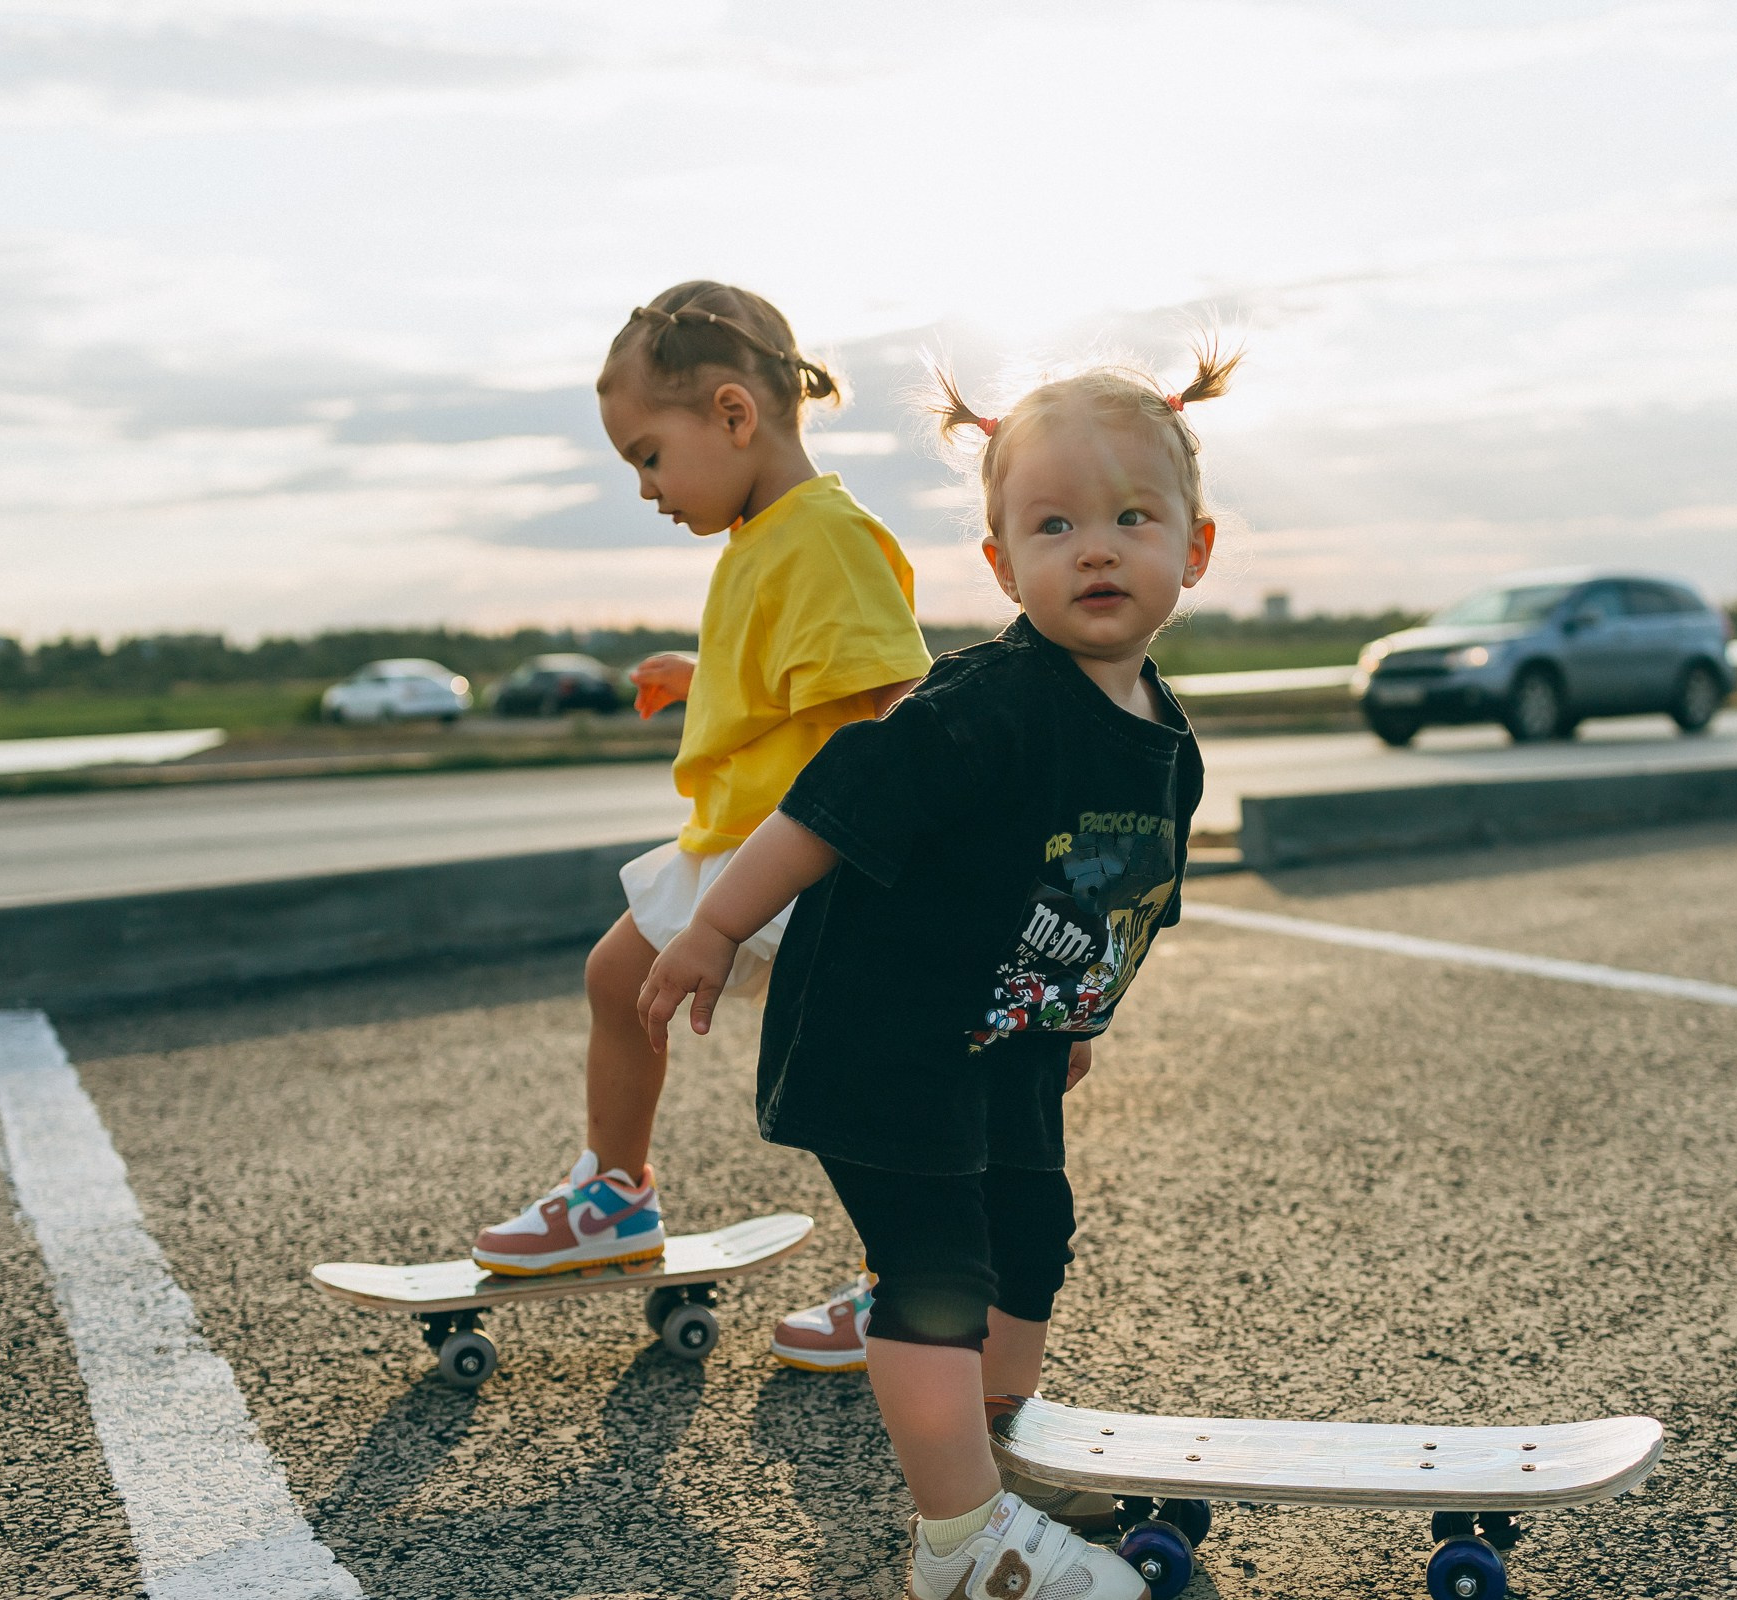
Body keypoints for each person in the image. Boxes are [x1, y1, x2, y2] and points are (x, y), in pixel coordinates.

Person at [638, 344, 1234, 1600]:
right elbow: (827, 805)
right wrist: (716, 926)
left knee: (1031, 1236)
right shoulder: (986, 705)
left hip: (1004, 1040)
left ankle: (996, 1452)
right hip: (884, 1034)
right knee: (938, 1269)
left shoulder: (1166, 748)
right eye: (1053, 525)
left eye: (1131, 519)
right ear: (1002, 564)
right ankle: (961, 1539)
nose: (1094, 550)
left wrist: (1075, 1018)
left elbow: (1115, 902)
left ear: (1195, 548)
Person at [472, 282, 932, 1280]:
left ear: (732, 413)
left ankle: (914, 1281)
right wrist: (706, 676)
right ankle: (614, 1194)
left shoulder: (823, 535)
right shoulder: (764, 536)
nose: (646, 487)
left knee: (851, 1071)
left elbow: (898, 702)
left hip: (806, 853)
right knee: (617, 978)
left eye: (648, 455)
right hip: (736, 843)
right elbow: (792, 680)